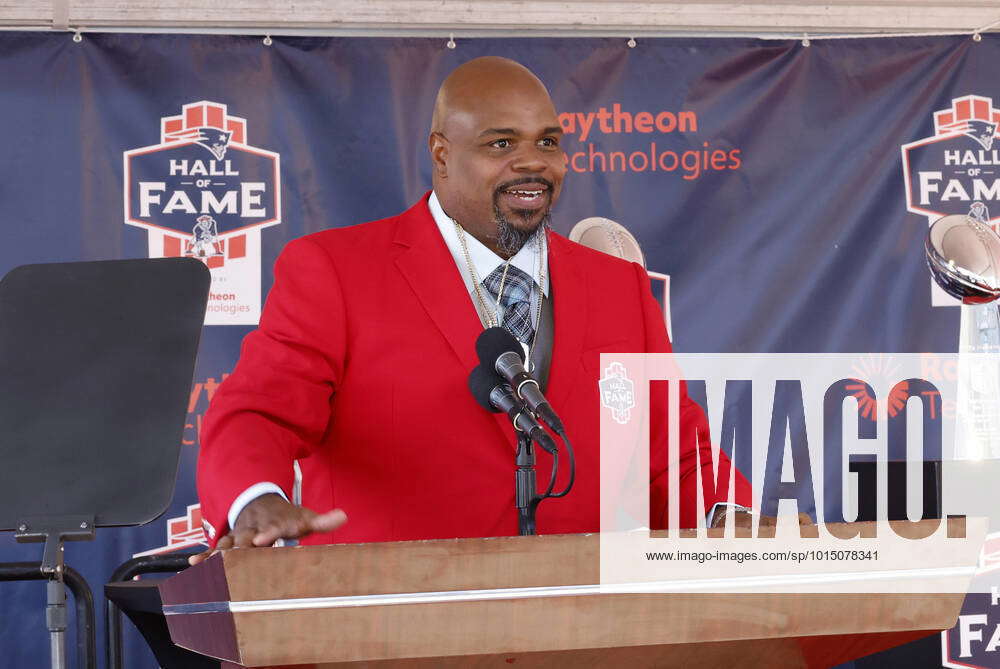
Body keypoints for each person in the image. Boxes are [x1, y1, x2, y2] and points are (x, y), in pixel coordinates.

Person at [193, 57, 752, 560]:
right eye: (501, 144)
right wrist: (256, 499)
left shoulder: (618, 286)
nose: (533, 163)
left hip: (590, 625)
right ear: (441, 153)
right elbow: (257, 413)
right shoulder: (336, 271)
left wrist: (731, 514)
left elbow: (674, 450)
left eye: (549, 143)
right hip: (392, 625)